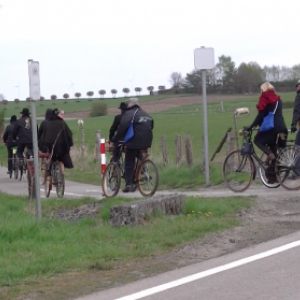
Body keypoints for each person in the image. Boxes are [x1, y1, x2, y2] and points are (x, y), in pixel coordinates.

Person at [245, 82, 287, 183]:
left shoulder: (265, 98)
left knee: (257, 140)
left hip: (272, 127)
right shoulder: (278, 99)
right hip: (282, 127)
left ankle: (269, 154)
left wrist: (251, 127)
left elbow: (260, 116)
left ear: (263, 89)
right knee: (274, 148)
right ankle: (274, 177)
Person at [112, 98, 154, 192]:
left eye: (127, 105)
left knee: (129, 159)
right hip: (147, 141)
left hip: (135, 141)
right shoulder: (145, 113)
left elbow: (122, 128)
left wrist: (115, 139)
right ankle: (140, 172)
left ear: (130, 105)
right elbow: (152, 125)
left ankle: (129, 184)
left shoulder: (130, 113)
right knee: (138, 154)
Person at [39, 108, 74, 175]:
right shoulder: (62, 123)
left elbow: (45, 137)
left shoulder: (49, 124)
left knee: (51, 158)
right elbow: (69, 134)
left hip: (51, 147)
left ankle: (49, 170)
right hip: (62, 148)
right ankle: (62, 173)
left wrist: (43, 146)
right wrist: (69, 144)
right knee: (62, 159)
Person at [290, 79, 300, 176]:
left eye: (298, 85)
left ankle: (297, 172)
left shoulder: (299, 97)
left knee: (297, 147)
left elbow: (297, 111)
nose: (297, 87)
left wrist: (293, 124)